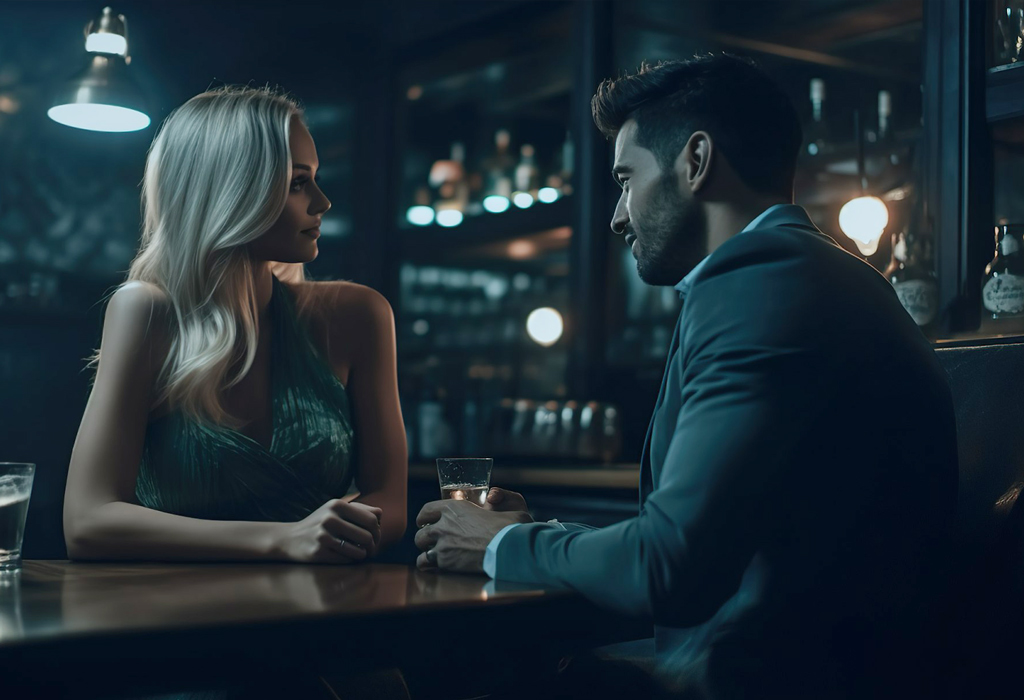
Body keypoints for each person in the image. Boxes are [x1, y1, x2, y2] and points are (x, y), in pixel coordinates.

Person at [415, 54, 958, 699]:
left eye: (625, 179)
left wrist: (506, 546)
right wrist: (540, 536)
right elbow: (704, 541)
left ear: (696, 162)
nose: (617, 214)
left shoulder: (759, 282)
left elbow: (671, 568)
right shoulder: (808, 272)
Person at [64, 86, 407, 568]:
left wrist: (336, 532)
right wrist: (282, 540)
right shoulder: (145, 311)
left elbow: (390, 500)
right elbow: (88, 521)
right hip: (164, 616)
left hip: (324, 612)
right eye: (297, 183)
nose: (323, 202)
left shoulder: (358, 315)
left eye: (315, 180)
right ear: (231, 190)